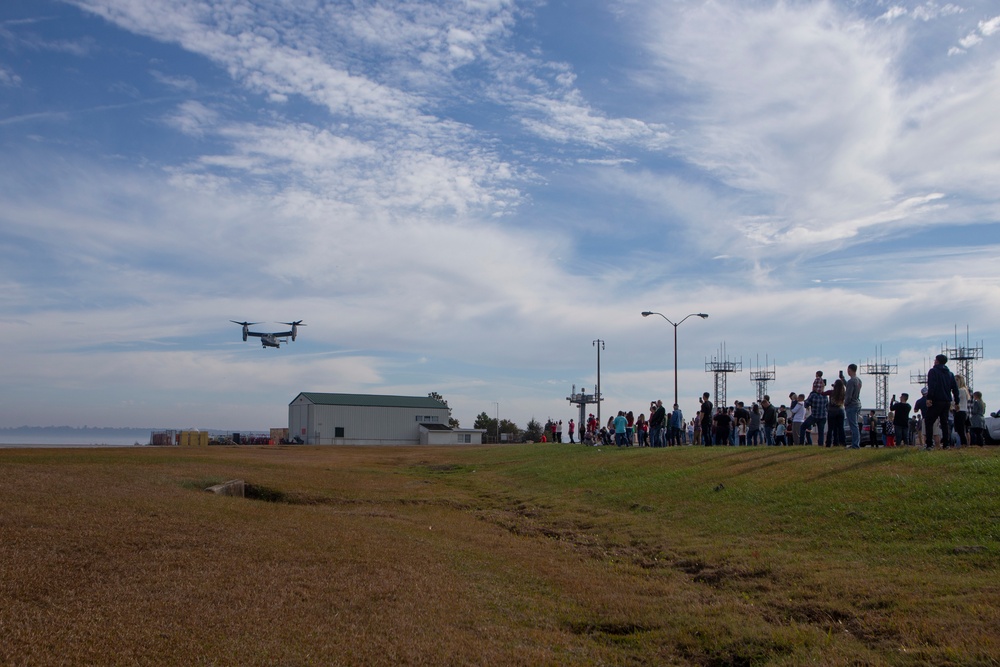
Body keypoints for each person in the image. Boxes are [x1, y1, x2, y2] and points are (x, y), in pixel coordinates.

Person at [925, 354, 960, 450]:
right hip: (947, 401)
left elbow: (932, 385)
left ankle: (929, 444)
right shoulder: (950, 374)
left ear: (937, 361)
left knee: (929, 421)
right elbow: (955, 389)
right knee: (944, 422)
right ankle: (946, 444)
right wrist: (957, 402)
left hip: (936, 400)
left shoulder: (933, 371)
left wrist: (929, 398)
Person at [844, 365, 863, 449]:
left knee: (853, 425)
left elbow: (849, 394)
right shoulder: (859, 380)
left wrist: (846, 403)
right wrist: (843, 381)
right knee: (855, 425)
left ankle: (855, 445)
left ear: (850, 370)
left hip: (851, 405)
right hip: (857, 403)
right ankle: (856, 443)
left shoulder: (851, 381)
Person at [828, 378, 847, 447]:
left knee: (831, 428)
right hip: (841, 410)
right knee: (841, 428)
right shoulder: (843, 393)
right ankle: (843, 442)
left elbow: (823, 393)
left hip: (832, 410)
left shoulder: (832, 392)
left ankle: (829, 443)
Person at [954, 376, 970, 447]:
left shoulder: (960, 390)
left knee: (960, 430)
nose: (955, 382)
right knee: (963, 430)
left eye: (957, 380)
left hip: (960, 411)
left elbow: (954, 401)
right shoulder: (965, 390)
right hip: (964, 411)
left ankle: (964, 444)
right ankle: (964, 444)